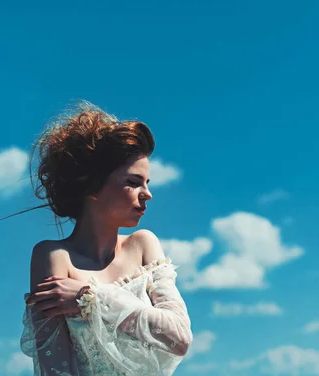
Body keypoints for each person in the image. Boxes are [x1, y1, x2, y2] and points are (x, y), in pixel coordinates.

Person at [18, 101, 193, 375]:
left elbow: (179, 337)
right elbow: (55, 369)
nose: (147, 194)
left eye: (147, 183)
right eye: (133, 182)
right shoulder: (52, 257)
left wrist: (89, 298)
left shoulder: (144, 245)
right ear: (93, 186)